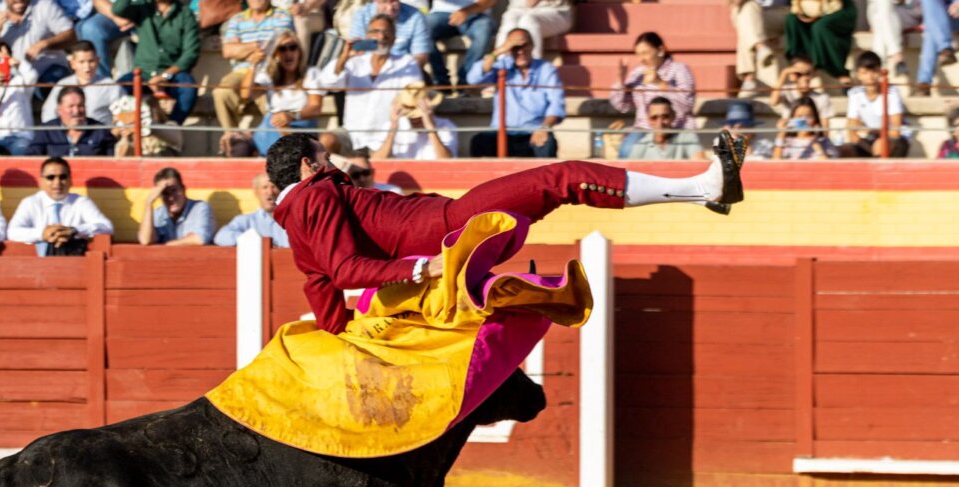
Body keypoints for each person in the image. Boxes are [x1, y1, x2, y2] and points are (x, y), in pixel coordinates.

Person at [265, 131, 745, 334]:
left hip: (446, 233)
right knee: (563, 178)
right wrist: (422, 267)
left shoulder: (296, 223)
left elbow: (321, 285)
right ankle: (704, 187)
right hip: (451, 228)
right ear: (308, 166)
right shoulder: (316, 194)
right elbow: (346, 271)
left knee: (557, 188)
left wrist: (340, 336)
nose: (333, 164)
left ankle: (702, 194)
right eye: (325, 158)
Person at [316, 14, 423, 154]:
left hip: (385, 137)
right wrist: (344, 56)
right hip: (352, 135)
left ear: (394, 38)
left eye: (386, 32)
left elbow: (412, 94)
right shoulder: (354, 62)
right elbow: (328, 83)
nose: (381, 36)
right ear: (367, 36)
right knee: (326, 141)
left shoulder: (406, 63)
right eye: (376, 31)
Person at [468, 27, 564, 158]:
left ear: (532, 46)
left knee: (547, 144)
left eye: (524, 46)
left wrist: (544, 128)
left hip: (534, 133)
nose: (520, 51)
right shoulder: (502, 66)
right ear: (508, 49)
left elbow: (556, 105)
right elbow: (473, 79)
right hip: (502, 133)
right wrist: (498, 51)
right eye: (515, 47)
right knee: (479, 142)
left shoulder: (546, 69)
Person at [607, 32, 696, 158]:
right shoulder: (637, 73)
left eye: (645, 53)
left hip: (674, 127)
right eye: (638, 54)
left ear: (660, 50)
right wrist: (620, 80)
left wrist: (660, 83)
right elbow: (622, 107)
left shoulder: (679, 70)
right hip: (643, 129)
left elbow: (687, 105)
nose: (641, 59)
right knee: (626, 151)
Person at [110, 0, 199, 125]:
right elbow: (118, 9)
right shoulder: (143, 7)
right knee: (116, 90)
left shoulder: (185, 14)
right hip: (143, 73)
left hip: (172, 74)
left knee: (188, 88)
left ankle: (172, 126)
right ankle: (124, 127)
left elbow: (191, 53)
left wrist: (164, 76)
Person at [214, 0, 295, 137]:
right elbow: (227, 51)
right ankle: (232, 137)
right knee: (221, 92)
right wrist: (256, 45)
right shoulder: (236, 19)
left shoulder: (282, 16)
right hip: (242, 72)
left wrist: (242, 49)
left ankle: (284, 141)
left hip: (272, 69)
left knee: (268, 96)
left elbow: (277, 44)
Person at [240, 29, 324, 156]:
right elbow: (245, 94)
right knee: (235, 142)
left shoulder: (311, 73)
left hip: (301, 126)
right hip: (272, 125)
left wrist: (291, 116)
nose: (288, 53)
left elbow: (315, 107)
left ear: (299, 52)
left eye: (292, 47)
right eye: (282, 49)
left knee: (281, 128)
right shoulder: (269, 76)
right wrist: (253, 66)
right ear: (276, 54)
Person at [7, 156, 114, 254]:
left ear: (70, 180)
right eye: (50, 177)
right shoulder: (30, 203)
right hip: (38, 264)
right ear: (41, 182)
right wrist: (42, 234)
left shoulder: (80, 202)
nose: (57, 183)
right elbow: (12, 232)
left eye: (63, 177)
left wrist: (74, 231)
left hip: (74, 261)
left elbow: (107, 227)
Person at [0, 0, 75, 93]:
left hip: (46, 71)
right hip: (11, 76)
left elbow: (71, 36)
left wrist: (45, 43)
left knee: (56, 83)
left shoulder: (45, 6)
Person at [840, 49, 911, 157]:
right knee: (844, 150)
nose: (870, 77)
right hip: (870, 140)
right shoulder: (855, 94)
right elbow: (852, 132)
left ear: (880, 72)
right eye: (865, 73)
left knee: (880, 145)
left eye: (874, 72)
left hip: (896, 141)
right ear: (858, 75)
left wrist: (871, 131)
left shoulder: (892, 92)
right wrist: (868, 146)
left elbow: (895, 132)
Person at [41, 40, 123, 124]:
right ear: (72, 64)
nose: (87, 67)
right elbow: (48, 114)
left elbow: (124, 115)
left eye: (91, 61)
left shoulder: (110, 86)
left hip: (101, 131)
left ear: (97, 61)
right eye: (81, 62)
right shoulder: (62, 85)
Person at [372, 81, 457, 159]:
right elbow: (376, 161)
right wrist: (393, 129)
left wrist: (430, 127)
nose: (415, 121)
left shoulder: (445, 126)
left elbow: (447, 161)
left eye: (419, 117)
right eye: (412, 118)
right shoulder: (391, 126)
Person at [425, 0, 495, 89]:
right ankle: (441, 83)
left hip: (476, 14)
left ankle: (464, 83)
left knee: (484, 31)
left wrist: (466, 11)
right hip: (440, 13)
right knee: (423, 29)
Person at [27, 85, 117, 155]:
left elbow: (113, 160)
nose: (76, 111)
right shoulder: (46, 131)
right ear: (59, 109)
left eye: (80, 106)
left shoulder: (100, 131)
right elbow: (31, 158)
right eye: (71, 106)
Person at [784, 0, 857, 83]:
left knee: (820, 26)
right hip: (815, 12)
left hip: (839, 10)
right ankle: (800, 60)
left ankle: (838, 71)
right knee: (792, 19)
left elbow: (835, 6)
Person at [138, 167, 215, 245]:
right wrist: (149, 203)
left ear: (183, 189)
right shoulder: (158, 213)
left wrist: (167, 245)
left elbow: (200, 239)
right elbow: (145, 240)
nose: (171, 198)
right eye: (165, 193)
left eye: (174, 190)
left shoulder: (200, 208)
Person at [729, 0, 788, 96]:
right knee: (745, 10)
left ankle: (749, 78)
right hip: (754, 13)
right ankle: (760, 47)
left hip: (782, 12)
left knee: (745, 22)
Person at [347, 0, 431, 68]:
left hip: (404, 70)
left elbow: (421, 55)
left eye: (393, 1)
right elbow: (356, 48)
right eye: (384, 2)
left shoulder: (415, 16)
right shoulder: (361, 15)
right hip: (367, 68)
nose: (390, 8)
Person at [213, 172, 290, 247]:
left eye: (274, 187)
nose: (270, 192)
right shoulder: (246, 220)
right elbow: (221, 237)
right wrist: (257, 242)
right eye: (264, 187)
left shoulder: (291, 219)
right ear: (256, 192)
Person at [495, 0, 572, 60]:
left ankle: (534, 66)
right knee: (509, 20)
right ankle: (501, 66)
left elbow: (531, 2)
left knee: (529, 21)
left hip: (554, 12)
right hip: (518, 10)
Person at [629, 97, 704, 160]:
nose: (660, 123)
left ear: (673, 116)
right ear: (648, 120)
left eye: (665, 117)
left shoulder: (687, 138)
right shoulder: (641, 145)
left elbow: (700, 162)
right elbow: (629, 170)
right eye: (654, 118)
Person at [769, 55, 833, 125]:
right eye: (798, 74)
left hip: (811, 130)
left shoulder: (822, 98)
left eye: (807, 73)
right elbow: (773, 102)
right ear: (792, 75)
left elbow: (824, 125)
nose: (803, 77)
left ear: (813, 75)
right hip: (790, 129)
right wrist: (784, 73)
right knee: (781, 124)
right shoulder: (787, 91)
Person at [913, 0, 959, 96]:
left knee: (932, 24)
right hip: (944, 16)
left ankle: (924, 83)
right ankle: (946, 49)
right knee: (933, 19)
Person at [867, 0, 921, 80]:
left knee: (880, 27)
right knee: (882, 16)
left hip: (905, 15)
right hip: (882, 17)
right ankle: (897, 55)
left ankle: (877, 76)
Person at [773, 96, 839, 159]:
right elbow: (776, 162)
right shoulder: (787, 141)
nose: (804, 120)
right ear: (792, 118)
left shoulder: (823, 141)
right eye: (799, 116)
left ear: (815, 118)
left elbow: (827, 164)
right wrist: (781, 133)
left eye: (808, 116)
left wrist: (815, 141)